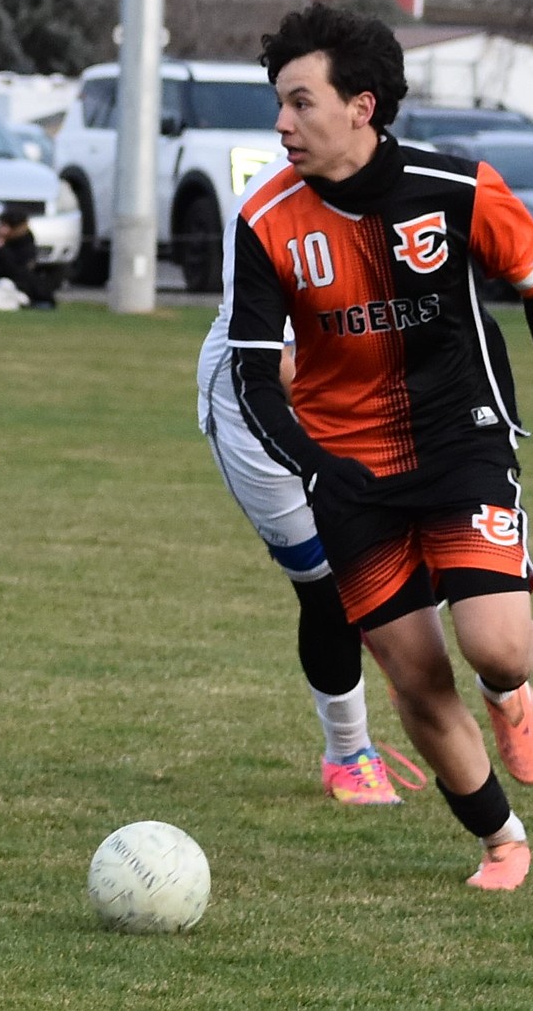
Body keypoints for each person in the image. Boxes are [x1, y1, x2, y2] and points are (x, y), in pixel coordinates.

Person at [226, 4, 533, 891]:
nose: (282, 124)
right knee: (416, 673)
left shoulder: (458, 187)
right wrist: (315, 465)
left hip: (460, 442)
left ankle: (509, 689)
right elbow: (251, 374)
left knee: (495, 647)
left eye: (300, 102)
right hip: (347, 472)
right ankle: (502, 841)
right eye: (279, 103)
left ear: (361, 106)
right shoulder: (265, 219)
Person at [199, 244, 425, 806]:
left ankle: (499, 676)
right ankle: (348, 755)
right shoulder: (265, 215)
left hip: (361, 391)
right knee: (328, 591)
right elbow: (277, 363)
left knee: (421, 559)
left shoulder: (405, 203)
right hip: (255, 403)